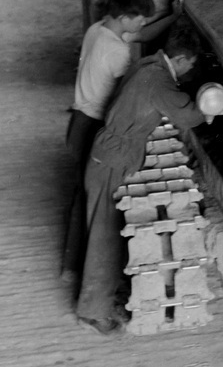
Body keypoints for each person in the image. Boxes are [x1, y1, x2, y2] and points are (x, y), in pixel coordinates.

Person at [75, 27, 209, 335]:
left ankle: (101, 293)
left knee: (102, 228)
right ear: (180, 59)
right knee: (103, 235)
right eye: (190, 64)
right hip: (112, 157)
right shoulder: (158, 80)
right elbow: (189, 116)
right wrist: (213, 102)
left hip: (110, 152)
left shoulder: (147, 64)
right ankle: (92, 313)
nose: (189, 70)